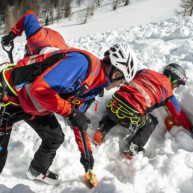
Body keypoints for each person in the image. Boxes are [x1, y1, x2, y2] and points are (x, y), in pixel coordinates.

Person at [0, 44, 138, 185]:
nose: (118, 86)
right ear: (116, 74)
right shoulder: (82, 63)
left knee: (55, 137)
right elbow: (40, 89)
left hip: (33, 105)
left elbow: (79, 120)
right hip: (9, 97)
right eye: (121, 82)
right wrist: (71, 112)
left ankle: (37, 170)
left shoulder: (94, 86)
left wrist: (86, 154)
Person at [94, 63, 193, 159]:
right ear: (173, 79)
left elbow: (129, 77)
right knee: (151, 122)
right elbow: (178, 114)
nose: (177, 87)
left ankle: (102, 129)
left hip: (113, 105)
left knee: (121, 106)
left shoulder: (146, 71)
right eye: (178, 84)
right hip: (129, 118)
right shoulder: (168, 93)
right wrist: (190, 127)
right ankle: (133, 148)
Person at [1, 11, 68, 56]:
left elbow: (30, 15)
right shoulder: (56, 35)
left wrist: (11, 35)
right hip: (67, 56)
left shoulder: (36, 35)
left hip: (48, 55)